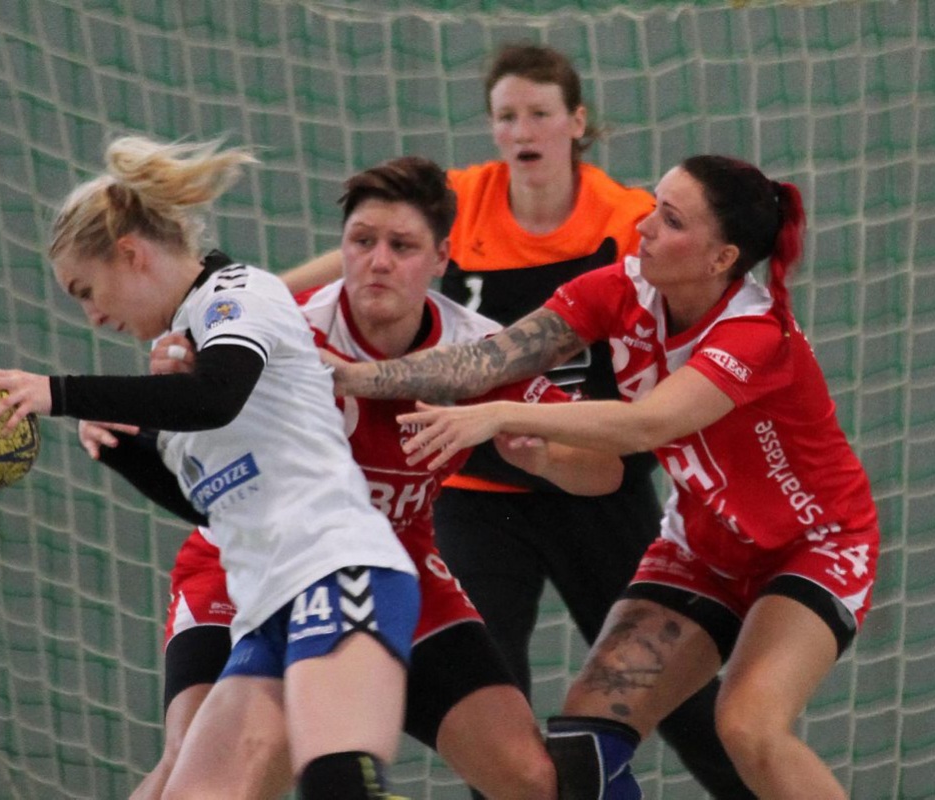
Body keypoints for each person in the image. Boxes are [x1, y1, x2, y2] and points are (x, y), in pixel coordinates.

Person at [281, 42, 751, 799]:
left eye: (538, 112)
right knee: (490, 705)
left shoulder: (626, 218)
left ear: (577, 121)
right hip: (475, 490)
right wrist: (240, 309)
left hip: (593, 481)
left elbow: (699, 282)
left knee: (681, 695)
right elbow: (355, 254)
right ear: (493, 128)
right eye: (506, 115)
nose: (522, 128)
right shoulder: (460, 203)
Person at [329, 154, 881, 800]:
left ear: (720, 258)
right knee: (580, 752)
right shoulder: (618, 290)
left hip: (813, 545)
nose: (644, 226)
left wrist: (502, 415)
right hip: (703, 546)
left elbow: (644, 426)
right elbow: (484, 362)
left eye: (670, 220)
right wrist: (348, 374)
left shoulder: (756, 335)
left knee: (746, 726)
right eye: (652, 203)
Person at [97, 155, 627, 799]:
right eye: (361, 241)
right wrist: (149, 391)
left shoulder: (476, 353)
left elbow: (605, 471)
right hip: (248, 569)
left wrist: (537, 454)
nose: (377, 261)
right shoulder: (280, 326)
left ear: (441, 258)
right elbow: (192, 399)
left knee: (530, 779)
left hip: (392, 563)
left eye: (401, 246)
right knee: (201, 768)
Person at [0, 135, 424, 800]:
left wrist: (58, 392)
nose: (92, 315)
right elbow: (211, 502)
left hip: (338, 569)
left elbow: (214, 399)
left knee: (338, 783)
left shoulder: (237, 294)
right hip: (266, 608)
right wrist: (127, 450)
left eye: (87, 290)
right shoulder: (181, 352)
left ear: (130, 253)